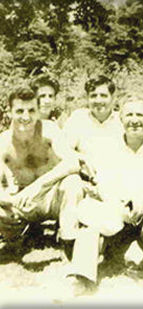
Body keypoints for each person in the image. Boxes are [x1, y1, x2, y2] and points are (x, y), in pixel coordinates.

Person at [66, 99, 143, 295]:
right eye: (129, 115)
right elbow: (101, 184)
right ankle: (82, 278)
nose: (134, 120)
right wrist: (119, 206)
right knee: (91, 211)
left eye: (139, 115)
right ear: (121, 119)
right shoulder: (108, 147)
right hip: (117, 210)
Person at [0, 86, 83, 257]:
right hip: (21, 202)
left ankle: (70, 245)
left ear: (38, 111)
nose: (26, 117)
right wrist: (11, 200)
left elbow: (73, 162)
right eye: (20, 111)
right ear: (10, 112)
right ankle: (15, 239)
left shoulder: (49, 129)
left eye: (31, 110)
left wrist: (39, 185)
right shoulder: (4, 141)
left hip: (50, 197)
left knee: (73, 182)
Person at [62, 75, 123, 181]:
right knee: (71, 183)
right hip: (85, 180)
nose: (98, 100)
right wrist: (82, 158)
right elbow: (63, 150)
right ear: (87, 98)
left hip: (117, 179)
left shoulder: (122, 120)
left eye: (103, 95)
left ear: (113, 98)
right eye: (93, 96)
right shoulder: (78, 118)